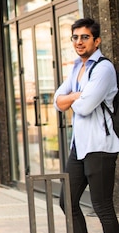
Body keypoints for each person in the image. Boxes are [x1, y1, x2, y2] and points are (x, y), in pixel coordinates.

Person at [54, 17, 119, 233]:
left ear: (97, 41)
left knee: (102, 207)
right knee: (67, 202)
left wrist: (71, 99)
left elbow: (84, 107)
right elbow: (57, 101)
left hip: (99, 147)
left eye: (85, 37)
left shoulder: (104, 68)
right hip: (79, 147)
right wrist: (76, 95)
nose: (79, 42)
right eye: (75, 37)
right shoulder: (76, 68)